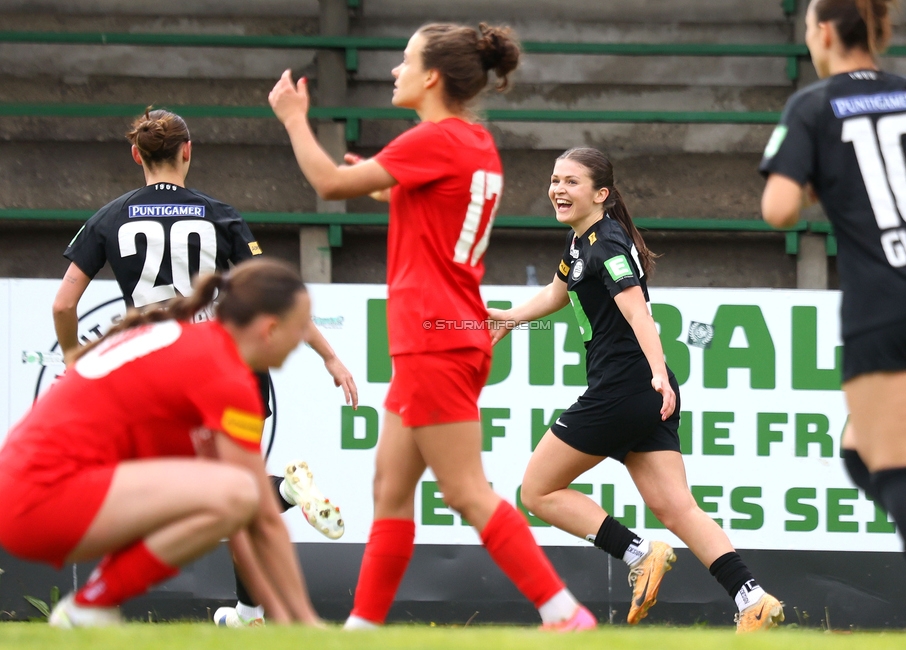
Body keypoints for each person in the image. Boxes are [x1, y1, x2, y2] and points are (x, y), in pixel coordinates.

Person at [268, 22, 595, 630]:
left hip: (433, 339)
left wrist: (292, 117)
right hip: (451, 334)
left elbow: (328, 184)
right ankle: (361, 631)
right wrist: (387, 183)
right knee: (390, 491)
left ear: (432, 77)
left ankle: (564, 613)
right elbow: (430, 205)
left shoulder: (433, 140)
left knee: (468, 493)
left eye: (405, 61)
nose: (395, 71)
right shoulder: (475, 142)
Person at [49, 108, 358, 627]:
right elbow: (277, 297)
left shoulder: (111, 216)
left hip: (159, 375)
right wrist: (328, 355)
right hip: (228, 372)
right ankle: (252, 599)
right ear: (188, 151)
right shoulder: (220, 214)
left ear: (135, 155)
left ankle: (104, 604)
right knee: (232, 489)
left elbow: (63, 304)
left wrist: (73, 357)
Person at [487, 147, 783, 632]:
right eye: (555, 179)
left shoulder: (606, 244)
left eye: (571, 182)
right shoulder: (582, 241)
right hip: (641, 391)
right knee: (676, 507)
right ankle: (752, 598)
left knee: (537, 490)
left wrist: (658, 376)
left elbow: (637, 311)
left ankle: (638, 552)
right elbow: (557, 293)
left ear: (600, 194)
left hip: (624, 389)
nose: (558, 189)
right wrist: (513, 318)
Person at [760, 0, 906, 634]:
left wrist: (817, 183)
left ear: (824, 31)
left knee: (895, 466)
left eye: (806, 29)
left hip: (885, 306)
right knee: (860, 451)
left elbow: (777, 210)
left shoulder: (813, 105)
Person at [0, 259, 321, 627]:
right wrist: (306, 622)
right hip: (42, 500)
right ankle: (88, 606)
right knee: (239, 491)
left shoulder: (184, 339)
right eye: (301, 329)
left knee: (230, 491)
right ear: (269, 329)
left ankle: (88, 607)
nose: (302, 341)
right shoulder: (226, 374)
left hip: (20, 494)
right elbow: (260, 514)